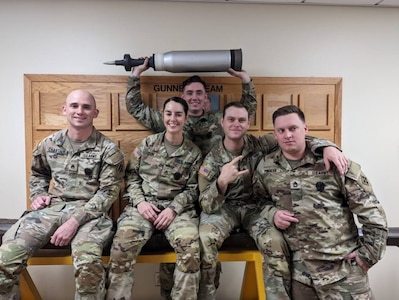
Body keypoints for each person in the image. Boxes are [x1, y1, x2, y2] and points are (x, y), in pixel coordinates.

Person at [125, 60, 349, 298]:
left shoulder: (242, 133)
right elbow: (137, 108)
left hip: (244, 206)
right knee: (195, 249)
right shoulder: (174, 119)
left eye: (199, 93)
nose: (235, 124)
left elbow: (291, 134)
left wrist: (326, 146)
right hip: (204, 201)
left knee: (271, 243)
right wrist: (221, 181)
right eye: (189, 93)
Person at [0, 90, 125, 300]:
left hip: (90, 214)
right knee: (5, 260)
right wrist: (38, 194)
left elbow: (107, 193)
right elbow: (38, 173)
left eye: (86, 107)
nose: (80, 111)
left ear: (96, 112)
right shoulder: (49, 143)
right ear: (64, 110)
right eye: (74, 106)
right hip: (52, 209)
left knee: (88, 269)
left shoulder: (109, 150)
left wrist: (74, 221)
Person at [253, 105, 388, 299]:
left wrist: (367, 256)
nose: (288, 135)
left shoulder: (336, 163)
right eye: (281, 130)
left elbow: (372, 214)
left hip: (342, 273)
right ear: (275, 134)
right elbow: (258, 201)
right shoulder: (266, 167)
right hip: (299, 275)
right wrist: (272, 214)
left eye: (293, 128)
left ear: (305, 130)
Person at [106, 97, 203, 300]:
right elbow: (131, 176)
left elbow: (194, 188)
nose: (173, 118)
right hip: (142, 207)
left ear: (185, 118)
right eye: (169, 113)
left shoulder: (193, 152)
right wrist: (140, 203)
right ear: (163, 116)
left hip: (178, 211)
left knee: (191, 251)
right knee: (121, 249)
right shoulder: (148, 144)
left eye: (178, 114)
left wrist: (173, 209)